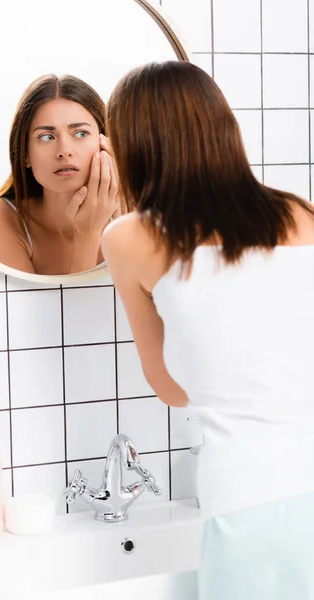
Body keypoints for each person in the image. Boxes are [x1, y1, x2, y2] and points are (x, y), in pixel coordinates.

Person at [102, 59, 314, 599]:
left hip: (251, 495)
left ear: (135, 146)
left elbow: (173, 388)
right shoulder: (302, 215)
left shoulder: (130, 237)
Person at [0, 74, 122, 275]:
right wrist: (87, 234)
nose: (64, 150)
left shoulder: (141, 211)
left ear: (104, 143)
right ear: (25, 155)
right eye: (47, 137)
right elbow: (75, 306)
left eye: (80, 133)